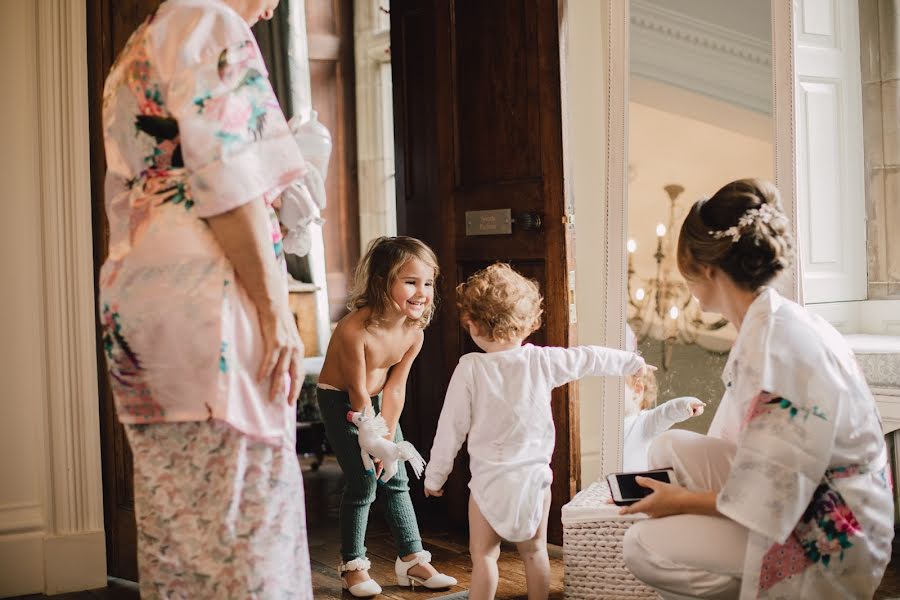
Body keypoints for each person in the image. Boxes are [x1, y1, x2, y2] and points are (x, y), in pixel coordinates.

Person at [98, 0, 313, 597]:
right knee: (247, 521)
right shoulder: (210, 22)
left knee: (179, 528)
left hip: (139, 303)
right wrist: (276, 312)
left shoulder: (137, 48)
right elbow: (228, 176)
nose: (271, 9)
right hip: (210, 298)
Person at [620, 179, 894, 599]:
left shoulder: (778, 349)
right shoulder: (773, 319)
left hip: (829, 533)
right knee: (666, 449)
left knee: (640, 546)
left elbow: (769, 498)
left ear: (707, 270)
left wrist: (680, 503)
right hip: (805, 488)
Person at [424, 263, 650, 600]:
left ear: (470, 323)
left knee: (484, 556)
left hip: (489, 483)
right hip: (533, 481)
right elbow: (589, 359)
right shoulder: (541, 361)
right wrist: (632, 362)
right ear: (530, 323)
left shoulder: (470, 369)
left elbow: (450, 428)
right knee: (535, 552)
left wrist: (435, 477)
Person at [316, 236, 457, 597]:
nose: (421, 291)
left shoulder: (415, 331)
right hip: (342, 401)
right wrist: (373, 440)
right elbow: (357, 392)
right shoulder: (354, 330)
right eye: (410, 281)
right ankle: (352, 566)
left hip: (378, 404)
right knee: (364, 481)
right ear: (382, 282)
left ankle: (412, 560)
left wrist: (389, 438)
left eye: (427, 283)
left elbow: (394, 389)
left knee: (396, 475)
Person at [622, 366, 705, 472]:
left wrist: (686, 404)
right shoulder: (607, 423)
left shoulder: (645, 422)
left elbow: (666, 412)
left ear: (637, 390)